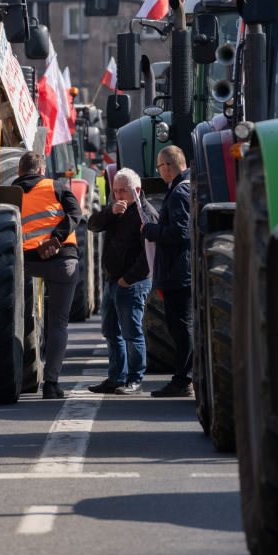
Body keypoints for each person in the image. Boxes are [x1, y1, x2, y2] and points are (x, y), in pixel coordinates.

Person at [15, 151, 82, 399]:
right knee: (58, 323)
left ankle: (19, 374)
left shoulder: (11, 192)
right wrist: (56, 238)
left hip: (26, 262)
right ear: (42, 170)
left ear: (20, 171)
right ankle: (51, 384)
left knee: (17, 317)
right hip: (62, 261)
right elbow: (76, 214)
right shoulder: (57, 187)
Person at [86, 168, 157, 396]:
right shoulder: (116, 210)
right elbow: (91, 224)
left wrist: (128, 279)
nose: (118, 196)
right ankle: (116, 377)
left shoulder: (145, 214)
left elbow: (148, 255)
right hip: (113, 280)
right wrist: (110, 212)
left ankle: (135, 380)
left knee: (131, 333)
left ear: (137, 190)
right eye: (115, 191)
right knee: (110, 331)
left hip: (132, 283)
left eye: (123, 191)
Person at [142, 145, 193, 398]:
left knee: (181, 328)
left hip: (177, 271)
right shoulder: (183, 188)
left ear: (169, 167)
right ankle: (183, 378)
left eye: (160, 167)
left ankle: (183, 380)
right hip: (177, 269)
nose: (159, 172)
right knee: (180, 327)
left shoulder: (179, 192)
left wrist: (150, 231)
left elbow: (181, 232)